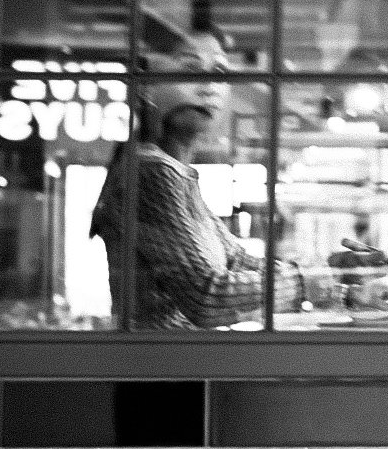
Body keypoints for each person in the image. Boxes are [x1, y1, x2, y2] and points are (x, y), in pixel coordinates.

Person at [90, 101, 302, 329]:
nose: (208, 88)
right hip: (158, 357)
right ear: (148, 91)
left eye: (217, 74)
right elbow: (205, 297)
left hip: (179, 353)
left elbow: (236, 260)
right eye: (191, 70)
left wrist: (308, 273)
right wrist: (301, 282)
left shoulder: (175, 171)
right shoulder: (151, 169)